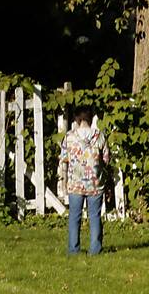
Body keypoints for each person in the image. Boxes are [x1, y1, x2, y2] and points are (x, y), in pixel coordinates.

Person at [59, 105, 112, 255]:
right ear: (91, 118)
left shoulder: (69, 137)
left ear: (77, 119)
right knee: (94, 216)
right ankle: (95, 249)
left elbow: (64, 158)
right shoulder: (100, 136)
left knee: (74, 217)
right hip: (95, 183)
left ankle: (73, 249)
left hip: (76, 184)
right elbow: (106, 159)